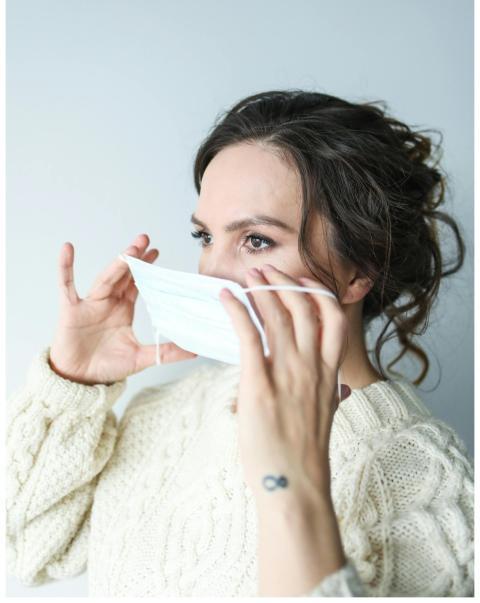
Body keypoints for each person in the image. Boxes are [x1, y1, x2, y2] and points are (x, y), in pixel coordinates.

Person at [6, 90, 473, 596]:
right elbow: (27, 553)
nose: (214, 272)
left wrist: (290, 481)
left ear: (360, 269)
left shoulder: (425, 482)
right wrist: (70, 383)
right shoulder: (163, 413)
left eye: (256, 240)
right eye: (205, 237)